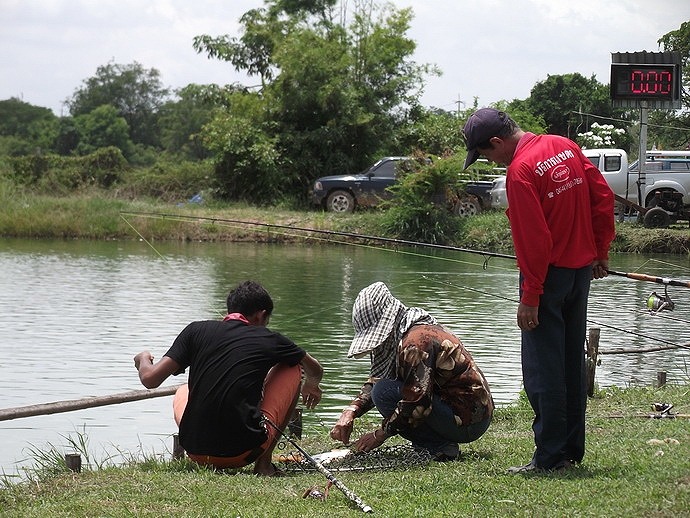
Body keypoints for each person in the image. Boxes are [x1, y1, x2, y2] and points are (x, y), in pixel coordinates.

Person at [462, 108, 615, 473]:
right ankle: (570, 451)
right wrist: (600, 252)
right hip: (580, 274)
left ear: (497, 143)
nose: (490, 161)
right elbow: (603, 200)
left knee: (543, 370)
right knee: (569, 364)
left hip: (547, 279)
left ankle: (548, 457)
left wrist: (530, 297)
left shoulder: (520, 171)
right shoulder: (565, 145)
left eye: (486, 154)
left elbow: (535, 241)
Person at [133, 280, 324, 476]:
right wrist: (311, 385)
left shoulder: (194, 330)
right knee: (292, 367)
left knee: (183, 390)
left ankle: (206, 445)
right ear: (261, 315)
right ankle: (264, 463)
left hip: (196, 452)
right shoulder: (270, 339)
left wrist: (143, 359)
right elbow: (315, 369)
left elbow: (150, 379)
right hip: (244, 452)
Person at [330, 282, 494, 461]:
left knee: (383, 393)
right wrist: (352, 411)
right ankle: (436, 443)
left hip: (469, 420)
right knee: (381, 389)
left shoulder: (415, 342)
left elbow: (417, 401)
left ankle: (439, 447)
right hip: (461, 413)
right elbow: (378, 378)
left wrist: (379, 435)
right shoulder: (404, 333)